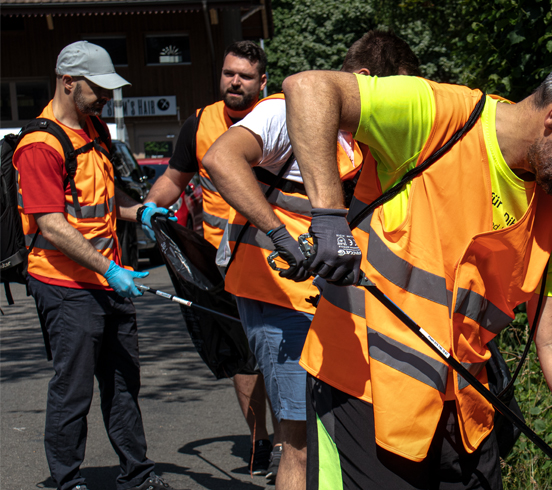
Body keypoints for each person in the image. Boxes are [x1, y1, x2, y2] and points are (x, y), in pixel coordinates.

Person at [280, 45, 552, 489]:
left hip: (462, 405)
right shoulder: (441, 117)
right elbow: (308, 87)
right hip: (361, 389)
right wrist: (328, 217)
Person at [201, 30, 421, 490]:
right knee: (297, 440)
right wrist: (279, 235)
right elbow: (221, 160)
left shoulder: (351, 137)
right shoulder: (283, 111)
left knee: (330, 433)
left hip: (323, 301)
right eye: (394, 93)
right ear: (364, 79)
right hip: (279, 299)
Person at [13, 41, 179, 490]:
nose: (105, 96)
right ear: (68, 82)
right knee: (73, 390)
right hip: (64, 286)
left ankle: (137, 476)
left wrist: (140, 210)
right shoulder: (40, 145)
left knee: (124, 383)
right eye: (97, 88)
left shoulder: (95, 129)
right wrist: (109, 271)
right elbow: (50, 223)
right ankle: (67, 481)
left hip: (106, 281)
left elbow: (104, 202)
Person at [142, 40, 275, 477]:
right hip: (224, 261)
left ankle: (297, 442)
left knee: (284, 351)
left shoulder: (278, 117)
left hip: (279, 257)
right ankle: (259, 444)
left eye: (245, 76)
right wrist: (152, 207)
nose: (234, 81)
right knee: (242, 357)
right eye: (229, 73)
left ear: (262, 82)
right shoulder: (199, 123)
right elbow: (173, 179)